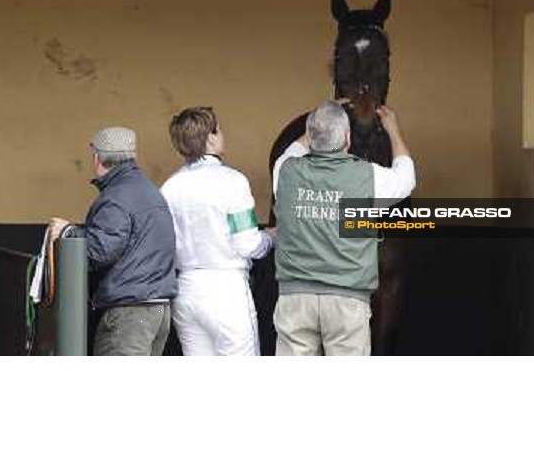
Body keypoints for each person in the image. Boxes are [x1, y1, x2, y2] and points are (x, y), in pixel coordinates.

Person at [272, 100, 416, 356]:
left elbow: (292, 150)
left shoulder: (285, 171)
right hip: (346, 301)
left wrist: (315, 124)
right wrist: (392, 129)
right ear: (348, 138)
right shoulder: (368, 177)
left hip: (296, 299)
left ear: (312, 137)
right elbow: (406, 178)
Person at [49, 126, 177, 356]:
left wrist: (67, 232)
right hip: (156, 309)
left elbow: (100, 250)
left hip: (129, 314)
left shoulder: (116, 197)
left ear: (97, 158)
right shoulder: (147, 190)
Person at [161, 106, 274, 356]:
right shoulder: (233, 181)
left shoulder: (169, 188)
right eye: (219, 129)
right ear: (211, 137)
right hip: (227, 290)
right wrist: (270, 239)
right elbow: (247, 244)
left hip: (186, 289)